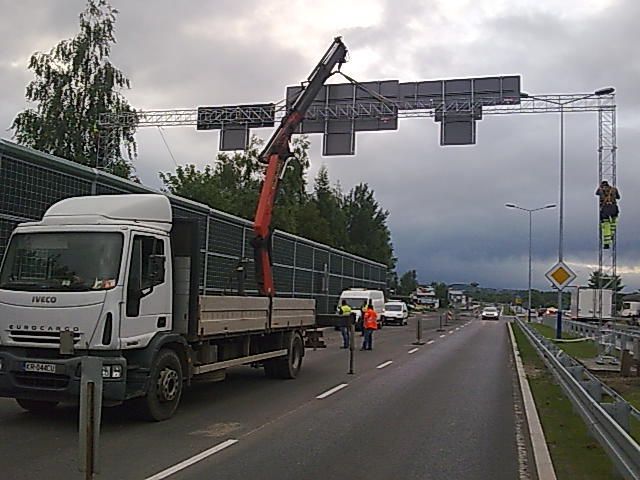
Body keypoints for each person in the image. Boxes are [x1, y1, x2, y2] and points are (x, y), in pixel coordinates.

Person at [596, 180, 620, 249]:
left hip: (605, 209)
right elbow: (618, 197)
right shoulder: (614, 189)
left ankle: (606, 243)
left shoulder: (600, 190)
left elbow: (596, 193)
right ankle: (612, 235)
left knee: (606, 225)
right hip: (614, 208)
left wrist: (600, 188)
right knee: (613, 223)